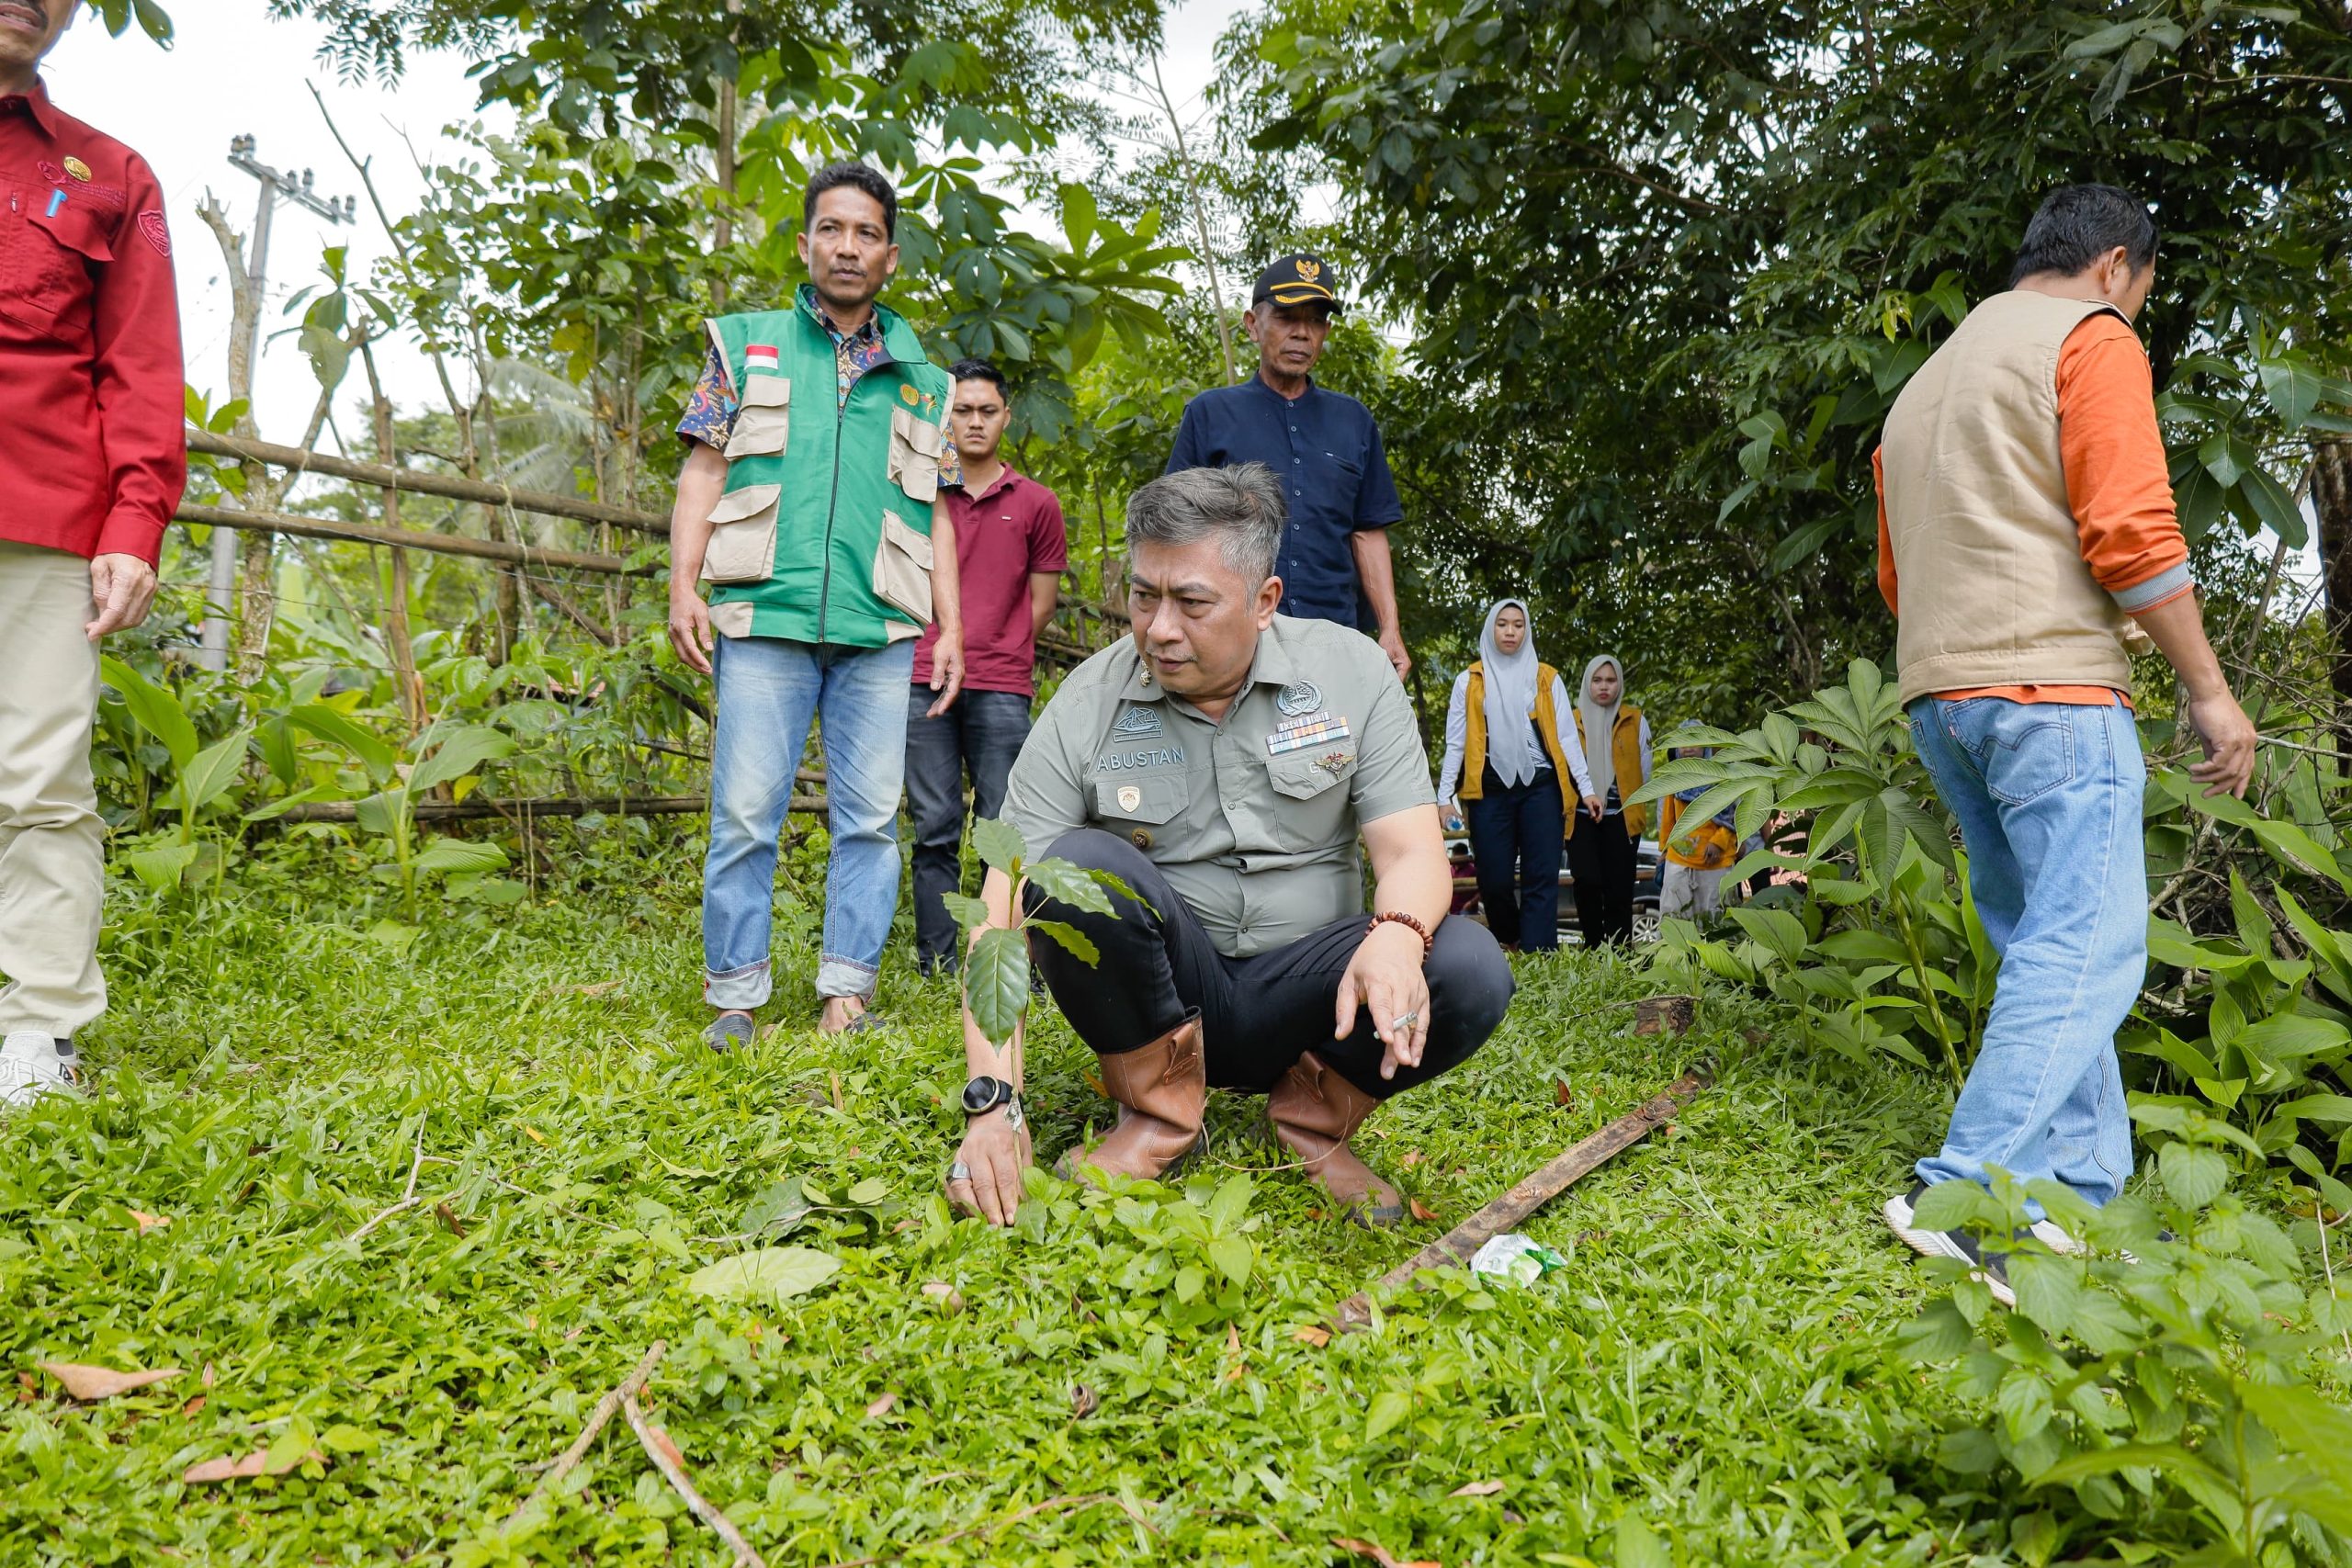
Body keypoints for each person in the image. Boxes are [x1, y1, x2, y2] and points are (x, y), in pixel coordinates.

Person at [940, 465, 1514, 1228]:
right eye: (1144, 596)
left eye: (1192, 602)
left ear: (1265, 601)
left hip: (1315, 993)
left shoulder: (1352, 674)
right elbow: (1001, 905)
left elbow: (1412, 853)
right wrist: (993, 1103)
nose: (1159, 628)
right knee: (1069, 863)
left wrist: (1399, 938)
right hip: (1167, 993)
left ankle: (1313, 1123)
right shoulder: (1090, 699)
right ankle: (1157, 1114)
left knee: (1469, 967)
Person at [1873, 185, 2256, 1303]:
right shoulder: (2089, 340)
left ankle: (2074, 1201)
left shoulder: (1925, 382)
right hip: (2051, 691)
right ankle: (1963, 1192)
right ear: (2115, 268)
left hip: (1942, 694)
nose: (2133, 312)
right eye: (2140, 294)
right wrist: (2211, 693)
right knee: (2087, 949)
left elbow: (1900, 572)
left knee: (2045, 943)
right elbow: (2131, 532)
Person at [668, 162, 965, 1043]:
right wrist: (684, 584)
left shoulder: (926, 378)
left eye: (866, 233)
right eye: (832, 229)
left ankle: (848, 993)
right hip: (765, 612)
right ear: (805, 245)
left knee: (871, 819)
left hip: (879, 625)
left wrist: (950, 624)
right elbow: (704, 470)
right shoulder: (747, 344)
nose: (848, 246)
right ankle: (736, 996)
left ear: (891, 256)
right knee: (747, 810)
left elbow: (938, 512)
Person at [0, 6, 185, 1107]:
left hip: (42, 516)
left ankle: (37, 1035)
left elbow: (141, 367)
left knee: (38, 787)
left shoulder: (112, 175)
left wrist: (134, 523)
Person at [1164, 255, 1411, 679]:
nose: (1301, 332)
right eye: (1285, 318)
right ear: (1252, 324)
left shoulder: (1353, 421)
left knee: (1331, 747)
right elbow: (1174, 529)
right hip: (1233, 634)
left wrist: (1389, 628)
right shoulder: (1211, 414)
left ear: (1326, 332)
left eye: (1315, 321)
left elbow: (1368, 531)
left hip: (1332, 636)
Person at [904, 358, 1067, 977]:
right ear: (945, 418)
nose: (974, 422)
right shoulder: (919, 496)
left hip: (1002, 680)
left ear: (1007, 416)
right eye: (962, 411)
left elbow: (1041, 602)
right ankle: (939, 962)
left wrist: (996, 644)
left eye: (986, 411)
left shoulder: (1036, 504)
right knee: (936, 823)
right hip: (921, 673)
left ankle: (1003, 953)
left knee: (1005, 826)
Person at [1434, 600, 1600, 952]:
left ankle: (1538, 955)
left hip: (1541, 788)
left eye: (1518, 625)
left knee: (1541, 877)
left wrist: (1586, 789)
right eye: (1503, 624)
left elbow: (1568, 738)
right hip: (1489, 791)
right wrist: (1444, 798)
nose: (1510, 631)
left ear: (1527, 631)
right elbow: (1457, 742)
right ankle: (1510, 939)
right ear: (1491, 629)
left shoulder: (1545, 678)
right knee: (1493, 881)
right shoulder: (1470, 681)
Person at [1564, 656, 1651, 948]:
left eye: (1610, 680)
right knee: (1586, 881)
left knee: (1619, 888)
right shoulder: (1571, 720)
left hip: (1621, 818)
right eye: (1597, 680)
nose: (1604, 686)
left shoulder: (1635, 720)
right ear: (1587, 683)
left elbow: (1645, 769)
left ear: (1620, 684)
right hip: (1580, 817)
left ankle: (1621, 952)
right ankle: (1593, 947)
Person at [1657, 722, 1738, 921]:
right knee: (1674, 917)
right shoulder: (1672, 779)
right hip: (1679, 858)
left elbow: (1735, 815)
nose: (1688, 747)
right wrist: (1664, 851)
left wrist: (1718, 842)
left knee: (1716, 921)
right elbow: (1667, 819)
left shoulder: (1722, 776)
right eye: (1683, 742)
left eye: (1695, 740)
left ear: (1706, 746)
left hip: (1716, 860)